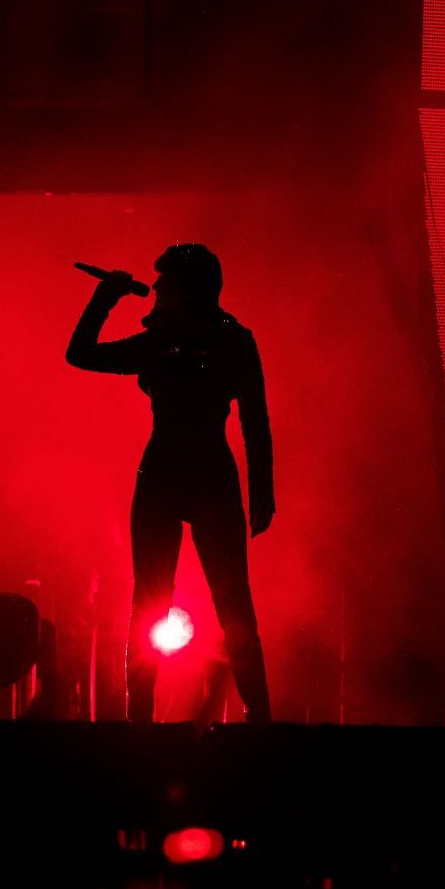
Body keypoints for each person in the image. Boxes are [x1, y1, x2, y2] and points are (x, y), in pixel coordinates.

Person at [66, 243, 274, 724]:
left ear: (183, 288)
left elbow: (81, 353)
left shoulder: (181, 341)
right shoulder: (227, 339)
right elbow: (255, 421)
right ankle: (254, 717)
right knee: (210, 601)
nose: (155, 290)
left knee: (177, 600)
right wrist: (261, 487)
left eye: (164, 282)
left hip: (170, 471)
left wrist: (106, 297)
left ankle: (151, 719)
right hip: (194, 472)